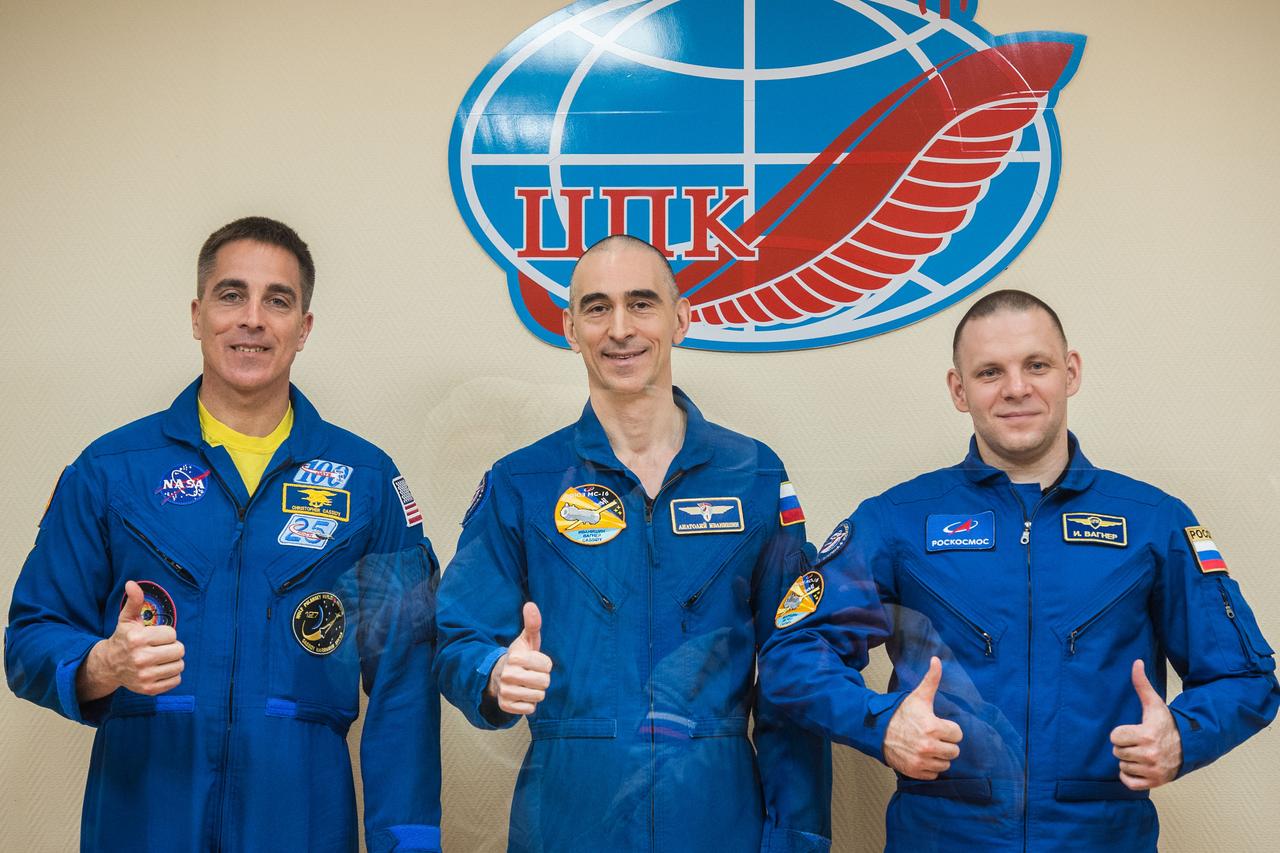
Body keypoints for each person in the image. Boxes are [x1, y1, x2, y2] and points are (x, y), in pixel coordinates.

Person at [759, 289, 1279, 852]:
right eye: (990, 372)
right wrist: (880, 723)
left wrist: (1183, 735)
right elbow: (792, 653)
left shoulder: (1154, 520)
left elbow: (1244, 678)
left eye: (1037, 365)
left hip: (1101, 837)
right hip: (943, 836)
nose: (1016, 388)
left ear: (1070, 372)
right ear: (959, 389)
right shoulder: (897, 520)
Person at [5, 217, 442, 853]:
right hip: (143, 820)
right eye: (232, 295)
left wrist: (409, 845)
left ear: (304, 328)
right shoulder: (111, 470)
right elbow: (29, 638)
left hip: (301, 824)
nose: (252, 319)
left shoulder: (368, 484)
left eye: (278, 301)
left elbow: (405, 686)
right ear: (197, 315)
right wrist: (100, 665)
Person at [434, 235, 831, 852]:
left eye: (641, 303)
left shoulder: (753, 475)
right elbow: (457, 637)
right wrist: (493, 674)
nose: (620, 329)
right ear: (570, 328)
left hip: (717, 817)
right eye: (597, 308)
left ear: (680, 319)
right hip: (568, 820)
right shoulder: (522, 483)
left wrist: (798, 839)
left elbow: (796, 665)